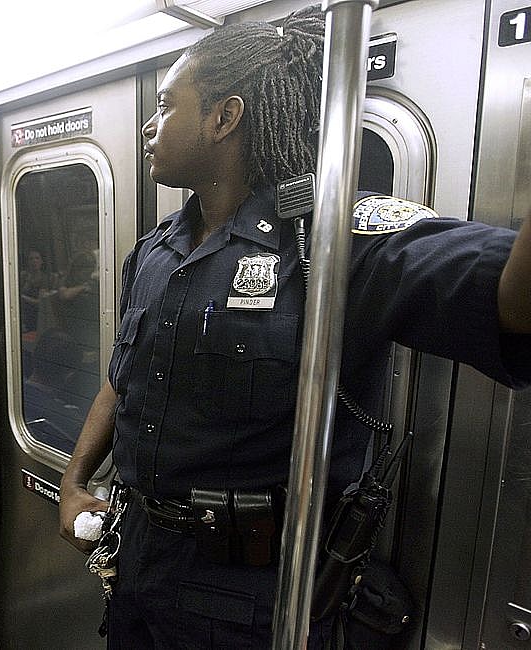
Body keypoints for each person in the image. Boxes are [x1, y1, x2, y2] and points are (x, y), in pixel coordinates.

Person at [57, 7, 531, 648]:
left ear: (224, 117)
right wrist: (76, 478)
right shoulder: (154, 254)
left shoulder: (335, 248)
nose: (150, 124)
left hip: (253, 594)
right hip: (140, 562)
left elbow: (510, 301)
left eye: (168, 105)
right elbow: (123, 379)